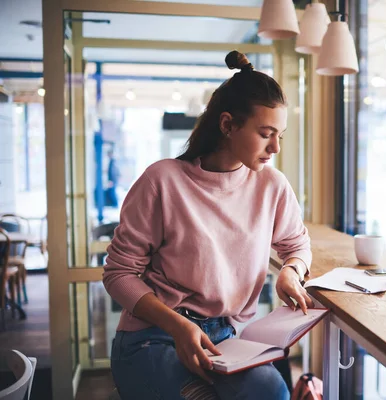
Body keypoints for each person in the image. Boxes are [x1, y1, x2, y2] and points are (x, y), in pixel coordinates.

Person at [103, 50, 314, 400]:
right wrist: (177, 324)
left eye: (281, 135)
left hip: (225, 337)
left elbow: (296, 245)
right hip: (153, 334)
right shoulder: (163, 180)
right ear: (228, 124)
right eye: (266, 134)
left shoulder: (272, 186)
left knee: (273, 392)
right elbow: (118, 275)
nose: (275, 147)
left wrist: (292, 271)